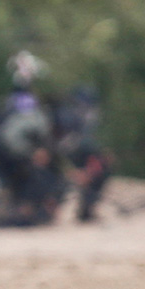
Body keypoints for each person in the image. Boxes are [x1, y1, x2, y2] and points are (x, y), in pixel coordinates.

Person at [0, 52, 64, 227]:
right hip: (21, 160)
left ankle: (16, 206)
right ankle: (27, 208)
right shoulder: (36, 111)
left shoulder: (4, 106)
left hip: (4, 160)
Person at [54, 84, 114, 222]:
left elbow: (90, 150)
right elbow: (57, 151)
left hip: (79, 161)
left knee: (102, 167)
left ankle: (87, 209)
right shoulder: (65, 118)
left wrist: (92, 167)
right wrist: (71, 171)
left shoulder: (85, 124)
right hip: (61, 163)